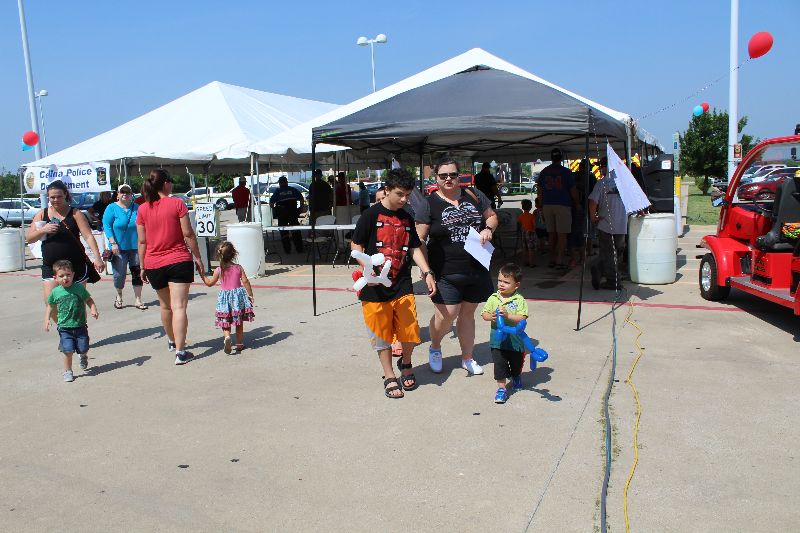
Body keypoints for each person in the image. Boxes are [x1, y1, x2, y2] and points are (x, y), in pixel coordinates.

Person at [351, 168, 436, 399]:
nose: (404, 199)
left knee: (409, 331)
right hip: (375, 287)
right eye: (400, 194)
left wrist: (427, 271)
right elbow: (356, 245)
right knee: (381, 335)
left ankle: (406, 364)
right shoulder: (370, 215)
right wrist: (367, 269)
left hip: (402, 283)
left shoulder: (407, 217)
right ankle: (389, 375)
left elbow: (415, 247)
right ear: (387, 190)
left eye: (408, 195)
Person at [415, 157, 499, 376]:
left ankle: (467, 358)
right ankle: (435, 347)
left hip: (475, 267)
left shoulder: (474, 194)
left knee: (468, 314)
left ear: (459, 176)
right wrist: (425, 270)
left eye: (453, 174)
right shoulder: (428, 203)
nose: (448, 179)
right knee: (447, 315)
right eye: (443, 175)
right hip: (444, 270)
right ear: (436, 178)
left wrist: (488, 229)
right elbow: (419, 240)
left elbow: (492, 217)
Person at [137, 169, 205, 364]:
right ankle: (181, 352)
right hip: (178, 260)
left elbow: (142, 241)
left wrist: (142, 266)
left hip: (153, 263)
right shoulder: (177, 203)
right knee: (179, 306)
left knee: (166, 306)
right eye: (171, 181)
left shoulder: (142, 209)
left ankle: (172, 340)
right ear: (166, 183)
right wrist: (198, 257)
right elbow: (188, 234)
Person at [27, 180, 104, 322]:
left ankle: (78, 330)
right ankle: (64, 330)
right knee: (50, 302)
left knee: (77, 303)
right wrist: (43, 230)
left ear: (65, 195)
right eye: (52, 197)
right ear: (48, 197)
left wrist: (97, 258)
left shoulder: (75, 213)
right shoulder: (42, 214)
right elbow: (30, 238)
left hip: (75, 265)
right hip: (51, 266)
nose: (55, 200)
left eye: (59, 196)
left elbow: (88, 236)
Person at [44, 259, 99, 382]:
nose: (65, 278)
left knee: (83, 348)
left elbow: (88, 299)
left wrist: (93, 309)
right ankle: (68, 371)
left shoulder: (79, 288)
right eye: (61, 276)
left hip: (80, 326)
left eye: (68, 275)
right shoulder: (55, 292)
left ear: (73, 275)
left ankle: (83, 356)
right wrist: (47, 319)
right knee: (67, 351)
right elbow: (50, 306)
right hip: (64, 328)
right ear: (55, 278)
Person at [480, 263, 528, 404]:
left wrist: (507, 315)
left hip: (515, 340)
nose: (501, 284)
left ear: (516, 285)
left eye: (506, 282)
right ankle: (501, 389)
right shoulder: (493, 298)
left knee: (516, 363)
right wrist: (491, 317)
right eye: (500, 280)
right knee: (499, 364)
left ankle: (516, 376)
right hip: (497, 340)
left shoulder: (519, 300)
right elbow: (484, 314)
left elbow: (522, 317)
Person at [198, 241, 255, 355]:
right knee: (239, 322)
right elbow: (245, 281)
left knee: (225, 321)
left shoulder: (218, 270)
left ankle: (227, 337)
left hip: (225, 300)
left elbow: (209, 283)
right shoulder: (238, 268)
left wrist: (202, 275)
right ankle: (239, 344)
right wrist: (250, 294)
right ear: (234, 254)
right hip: (238, 299)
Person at [103, 183, 146, 310]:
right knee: (119, 275)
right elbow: (107, 226)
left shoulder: (137, 208)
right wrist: (113, 243)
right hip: (119, 248)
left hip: (136, 247)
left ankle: (138, 299)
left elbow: (144, 224)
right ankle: (119, 296)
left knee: (137, 273)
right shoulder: (111, 208)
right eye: (122, 192)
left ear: (132, 194)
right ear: (117, 194)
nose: (125, 194)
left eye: (128, 192)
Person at [588, 157, 627, 290]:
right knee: (613, 252)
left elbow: (593, 202)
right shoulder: (623, 182)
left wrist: (592, 217)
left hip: (608, 223)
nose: (600, 170)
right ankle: (612, 279)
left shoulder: (602, 183)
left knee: (611, 252)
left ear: (606, 167)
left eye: (601, 167)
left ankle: (599, 268)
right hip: (618, 224)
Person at [536, 148, 578, 269]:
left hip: (547, 205)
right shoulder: (566, 172)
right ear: (561, 158)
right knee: (562, 235)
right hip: (562, 205)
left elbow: (540, 190)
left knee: (551, 234)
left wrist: (541, 205)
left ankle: (552, 259)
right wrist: (577, 203)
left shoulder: (544, 171)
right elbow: (573, 190)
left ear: (551, 158)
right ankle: (559, 260)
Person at [269, 176, 305, 254]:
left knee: (284, 232)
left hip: (282, 214)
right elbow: (301, 199)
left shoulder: (277, 191)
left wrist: (276, 209)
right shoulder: (293, 189)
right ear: (287, 182)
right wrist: (300, 208)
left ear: (279, 183)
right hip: (293, 213)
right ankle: (299, 249)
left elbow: (271, 204)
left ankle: (287, 250)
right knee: (295, 230)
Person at [517, 199, 536, 267]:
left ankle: (524, 262)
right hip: (530, 232)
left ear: (522, 207)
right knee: (531, 249)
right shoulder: (532, 216)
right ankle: (531, 263)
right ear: (530, 207)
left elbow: (519, 224)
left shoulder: (521, 216)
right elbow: (534, 224)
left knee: (524, 248)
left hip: (523, 232)